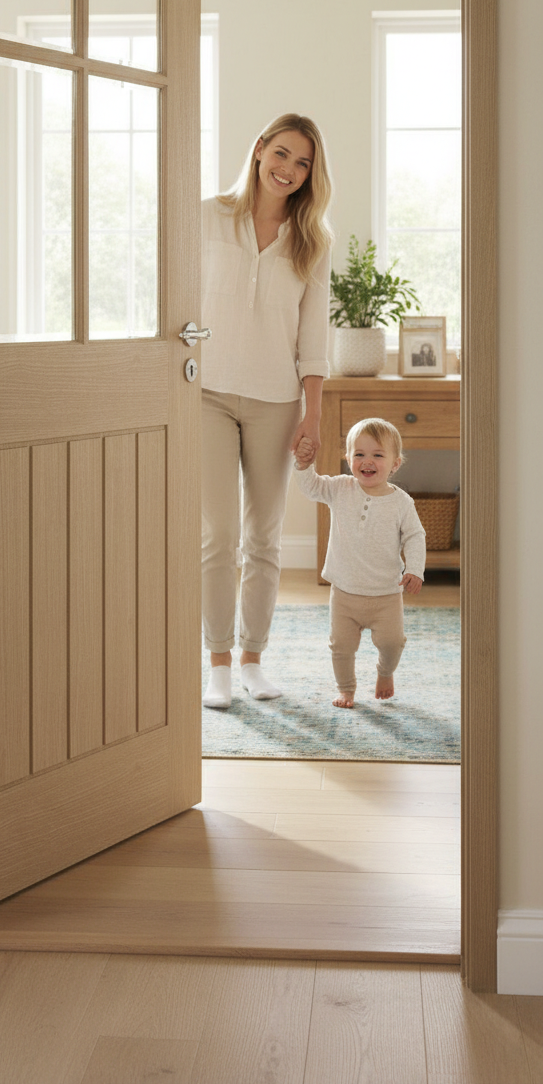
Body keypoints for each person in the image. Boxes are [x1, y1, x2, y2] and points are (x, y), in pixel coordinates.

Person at [201, 113, 333, 709]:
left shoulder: (312, 241)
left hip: (277, 400)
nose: (288, 169)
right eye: (281, 154)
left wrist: (314, 413)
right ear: (258, 151)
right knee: (218, 535)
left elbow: (314, 333)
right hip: (205, 393)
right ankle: (219, 664)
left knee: (264, 537)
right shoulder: (206, 217)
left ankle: (254, 659)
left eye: (302, 162)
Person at [293, 417, 425, 707]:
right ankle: (346, 689)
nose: (368, 461)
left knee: (392, 643)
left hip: (386, 594)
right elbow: (311, 487)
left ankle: (385, 673)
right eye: (359, 454)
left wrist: (415, 568)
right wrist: (304, 465)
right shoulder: (340, 489)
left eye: (378, 455)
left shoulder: (401, 502)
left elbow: (415, 535)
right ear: (348, 458)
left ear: (395, 464)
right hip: (344, 592)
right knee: (341, 646)